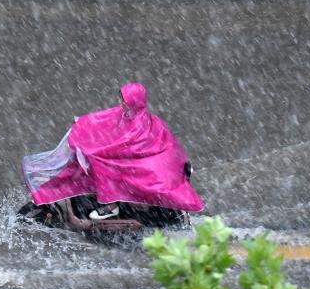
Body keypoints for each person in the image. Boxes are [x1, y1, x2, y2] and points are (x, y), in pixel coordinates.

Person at [22, 82, 204, 220]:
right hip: (134, 162)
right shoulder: (129, 115)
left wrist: (98, 150)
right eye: (121, 100)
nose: (120, 103)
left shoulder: (140, 125)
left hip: (136, 165)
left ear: (133, 102)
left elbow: (126, 146)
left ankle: (112, 206)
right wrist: (82, 125)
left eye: (123, 100)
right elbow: (102, 120)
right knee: (96, 160)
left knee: (102, 163)